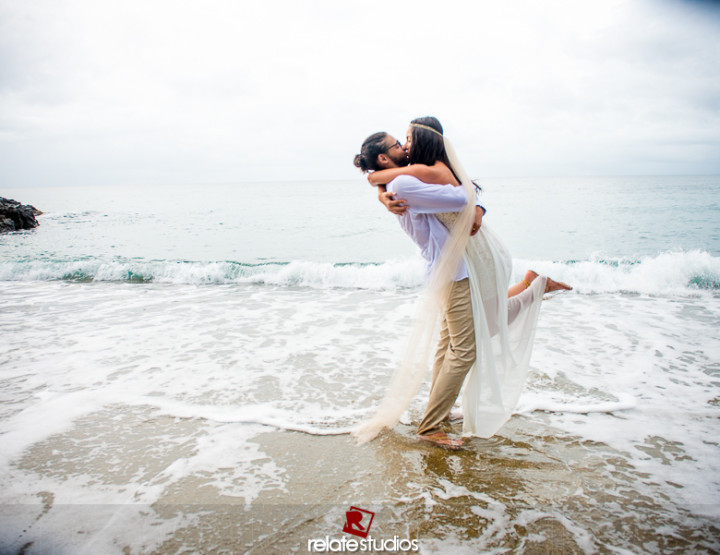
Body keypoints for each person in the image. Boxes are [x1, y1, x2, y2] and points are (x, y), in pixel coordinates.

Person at [352, 117, 570, 449]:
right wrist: (382, 189)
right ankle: (431, 426)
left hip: (452, 269)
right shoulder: (405, 184)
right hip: (451, 272)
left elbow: (467, 190)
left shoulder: (402, 179)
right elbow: (459, 199)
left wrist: (379, 185)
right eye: (399, 144)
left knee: (450, 343)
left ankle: (437, 412)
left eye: (406, 139)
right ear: (383, 158)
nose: (404, 146)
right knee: (465, 348)